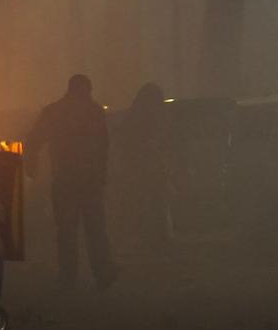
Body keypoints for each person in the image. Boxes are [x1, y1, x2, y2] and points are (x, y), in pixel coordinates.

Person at [25, 74, 117, 290]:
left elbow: (34, 140)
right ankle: (102, 273)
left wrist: (31, 168)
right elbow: (103, 146)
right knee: (95, 228)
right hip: (88, 180)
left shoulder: (54, 112)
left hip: (65, 180)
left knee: (67, 230)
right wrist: (103, 174)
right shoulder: (93, 111)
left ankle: (69, 277)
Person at [113, 83, 172, 253]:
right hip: (142, 167)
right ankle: (150, 236)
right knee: (145, 202)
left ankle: (155, 235)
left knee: (152, 201)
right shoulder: (143, 118)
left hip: (147, 167)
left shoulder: (139, 116)